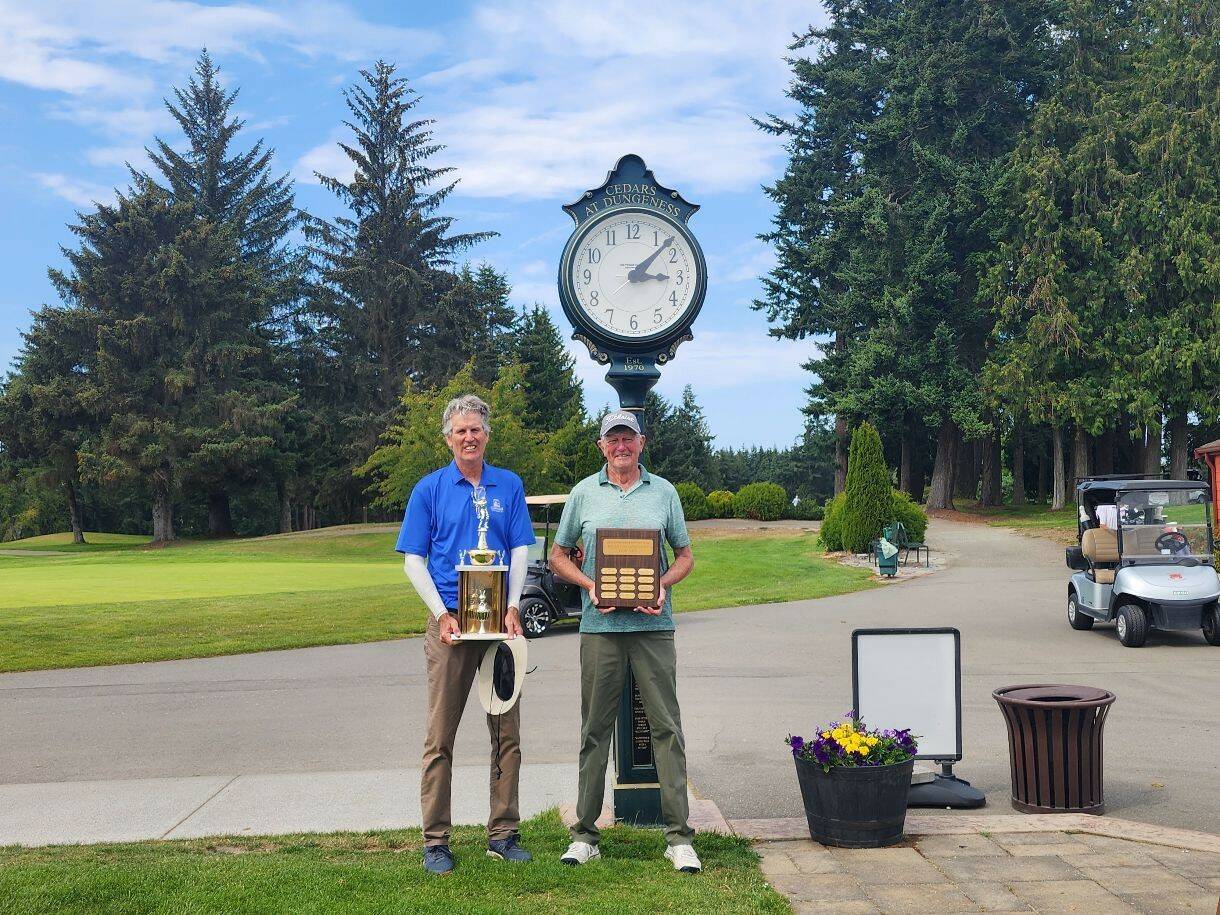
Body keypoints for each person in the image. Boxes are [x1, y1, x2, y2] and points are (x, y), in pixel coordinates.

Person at [548, 409, 701, 874]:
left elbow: (685, 555)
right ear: (601, 446)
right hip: (600, 630)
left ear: (641, 443)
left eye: (628, 439)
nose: (621, 446)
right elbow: (558, 555)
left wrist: (663, 585)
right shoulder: (582, 494)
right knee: (594, 730)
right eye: (612, 439)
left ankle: (678, 838)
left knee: (666, 728)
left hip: (653, 629)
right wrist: (591, 586)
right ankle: (585, 834)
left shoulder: (665, 493)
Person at [396, 394, 536, 875]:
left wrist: (515, 605)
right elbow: (413, 558)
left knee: (506, 732)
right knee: (440, 737)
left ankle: (503, 832)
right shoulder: (429, 489)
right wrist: (440, 614)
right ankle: (436, 841)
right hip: (451, 625)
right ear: (447, 437)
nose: (469, 437)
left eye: (476, 429)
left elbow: (519, 548)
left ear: (487, 434)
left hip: (499, 625)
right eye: (460, 431)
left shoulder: (509, 485)